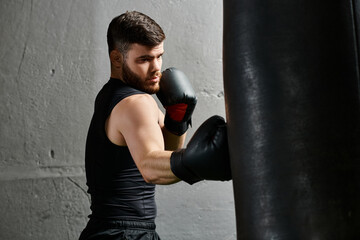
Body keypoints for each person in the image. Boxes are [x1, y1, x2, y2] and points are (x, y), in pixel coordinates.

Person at [79, 11, 231, 240]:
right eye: (144, 60)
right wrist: (195, 162)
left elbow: (165, 153)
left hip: (110, 230)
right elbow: (151, 168)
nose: (156, 68)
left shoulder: (111, 96)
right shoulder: (136, 103)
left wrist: (176, 121)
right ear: (117, 58)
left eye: (159, 56)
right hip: (125, 234)